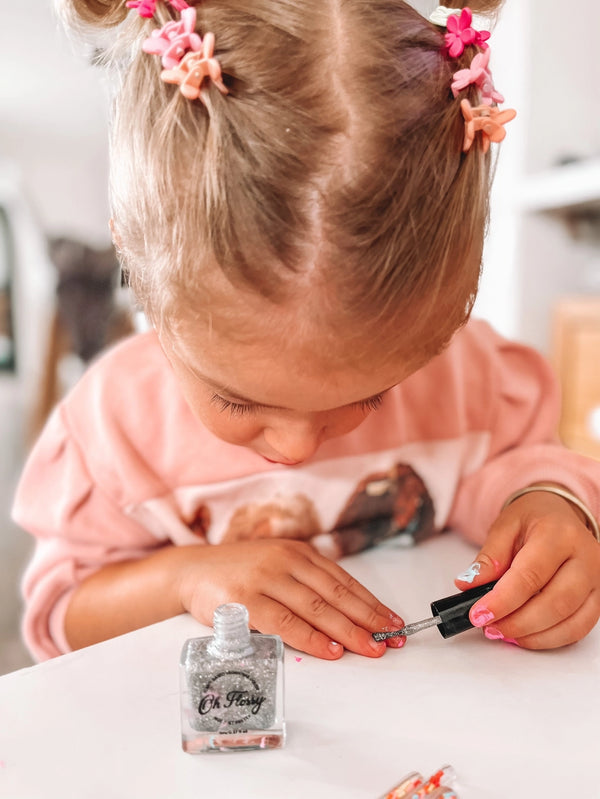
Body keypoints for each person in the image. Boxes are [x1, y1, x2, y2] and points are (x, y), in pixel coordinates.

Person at [13, 0, 600, 663]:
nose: (294, 448)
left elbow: (522, 464)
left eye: (370, 394)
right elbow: (63, 615)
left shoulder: (468, 380)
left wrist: (552, 507)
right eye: (236, 399)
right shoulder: (116, 429)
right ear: (136, 270)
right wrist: (185, 579)